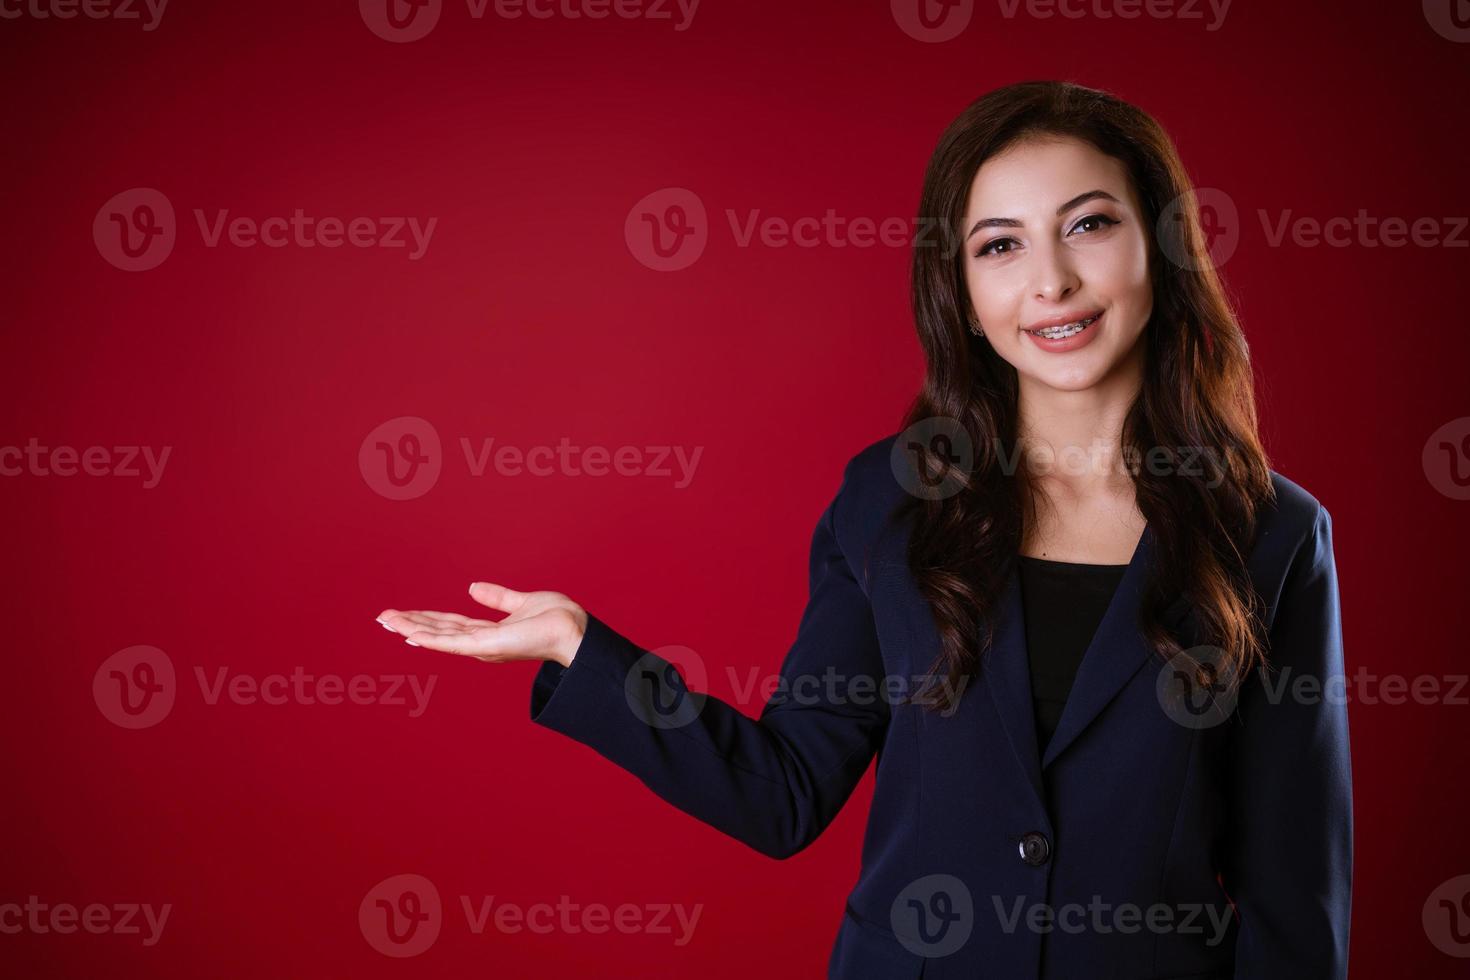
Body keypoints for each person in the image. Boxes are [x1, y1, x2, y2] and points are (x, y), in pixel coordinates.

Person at [377, 80, 1352, 979]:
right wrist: (582, 649)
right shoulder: (887, 503)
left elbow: (1293, 891)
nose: (1050, 280)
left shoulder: (1273, 533)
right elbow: (785, 790)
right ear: (962, 294)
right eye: (1000, 244)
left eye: (1090, 224)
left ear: (1162, 246)